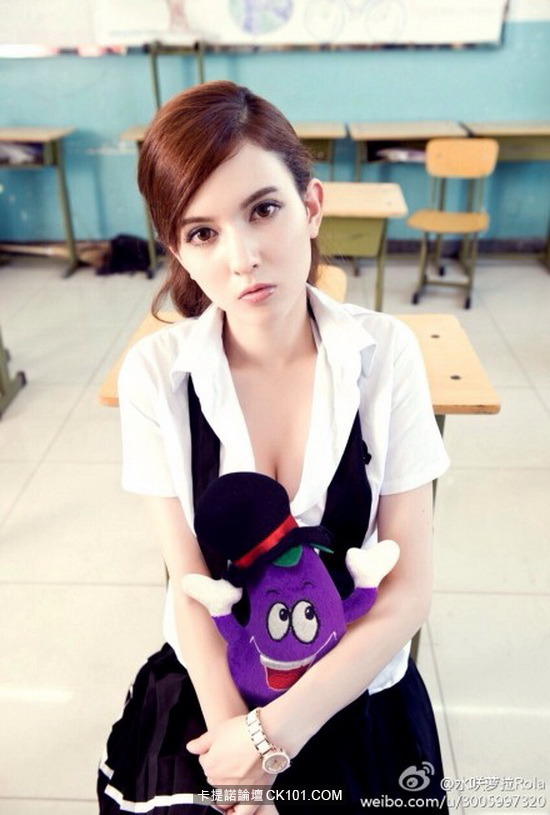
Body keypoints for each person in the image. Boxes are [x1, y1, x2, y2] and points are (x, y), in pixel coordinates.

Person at [97, 80, 450, 814]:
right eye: (203, 233)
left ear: (311, 205)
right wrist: (236, 748)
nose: (243, 257)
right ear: (177, 249)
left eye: (263, 210)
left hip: (352, 686)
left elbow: (407, 589)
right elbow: (188, 583)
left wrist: (270, 738)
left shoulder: (385, 355)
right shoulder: (157, 376)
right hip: (215, 685)